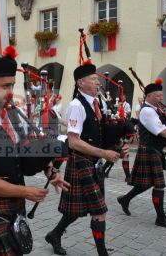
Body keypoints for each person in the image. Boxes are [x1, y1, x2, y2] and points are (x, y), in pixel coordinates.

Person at [0, 49, 69, 256]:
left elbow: (29, 146)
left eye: (12, 86)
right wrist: (27, 192)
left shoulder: (12, 115)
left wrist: (50, 171)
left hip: (15, 206)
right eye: (5, 86)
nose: (10, 92)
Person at [45, 64, 127, 256]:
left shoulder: (97, 103)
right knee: (100, 210)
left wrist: (116, 147)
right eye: (93, 78)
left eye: (97, 78)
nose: (98, 81)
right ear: (80, 83)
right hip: (81, 162)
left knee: (76, 210)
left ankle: (54, 235)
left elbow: (99, 134)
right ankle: (102, 253)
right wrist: (103, 153)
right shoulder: (76, 105)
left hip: (93, 163)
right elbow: (73, 142)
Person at [117, 81, 166, 230]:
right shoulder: (147, 111)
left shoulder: (156, 109)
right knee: (159, 185)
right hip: (149, 150)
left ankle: (125, 199)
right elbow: (161, 131)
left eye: (161, 95)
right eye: (158, 95)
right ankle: (160, 218)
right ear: (149, 96)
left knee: (146, 183)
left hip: (154, 150)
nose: (161, 98)